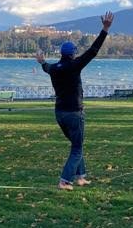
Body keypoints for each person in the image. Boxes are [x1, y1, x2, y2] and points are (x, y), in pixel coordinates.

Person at [35, 11, 114, 191]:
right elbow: (93, 51)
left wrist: (42, 61)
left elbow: (46, 67)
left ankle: (81, 177)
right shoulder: (75, 65)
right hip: (74, 113)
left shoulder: (54, 68)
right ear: (73, 54)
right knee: (77, 148)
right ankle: (65, 181)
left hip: (60, 114)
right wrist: (105, 29)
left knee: (76, 145)